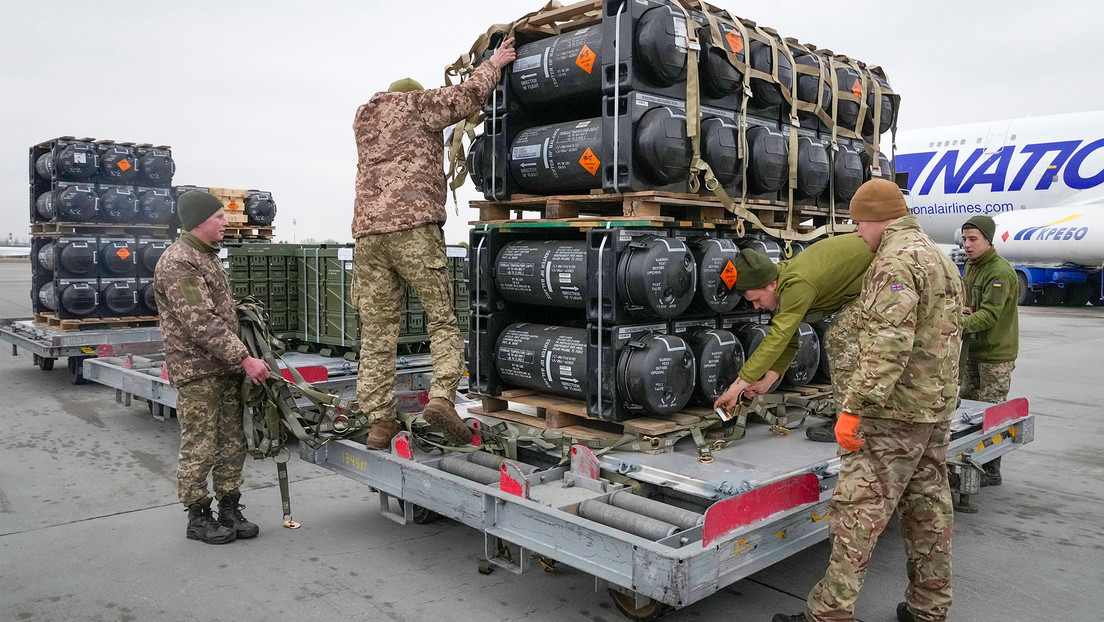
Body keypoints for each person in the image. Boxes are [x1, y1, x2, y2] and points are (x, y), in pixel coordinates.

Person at [774, 178, 965, 622]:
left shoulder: (894, 262)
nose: (857, 233)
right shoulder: (940, 256)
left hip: (892, 413)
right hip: (933, 409)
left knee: (857, 514)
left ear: (878, 219)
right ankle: (929, 609)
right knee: (928, 510)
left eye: (858, 224)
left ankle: (829, 614)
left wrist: (854, 407)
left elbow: (887, 344)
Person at [350, 37, 517, 450]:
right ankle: (442, 397)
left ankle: (379, 422)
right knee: (441, 319)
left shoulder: (364, 119)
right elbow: (466, 97)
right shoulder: (418, 105)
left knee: (376, 334)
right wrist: (494, 64)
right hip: (413, 230)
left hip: (368, 237)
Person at [155, 190, 272, 545]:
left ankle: (229, 507)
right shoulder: (180, 262)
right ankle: (198, 515)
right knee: (200, 444)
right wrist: (245, 358)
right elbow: (201, 321)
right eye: (220, 217)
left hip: (224, 367)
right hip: (199, 370)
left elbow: (223, 313)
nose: (226, 222)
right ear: (198, 221)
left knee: (232, 442)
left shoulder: (207, 257)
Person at [712, 235, 874, 441]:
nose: (756, 306)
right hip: (867, 279)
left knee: (839, 338)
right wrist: (766, 382)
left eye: (757, 299)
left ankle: (851, 425)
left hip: (886, 269)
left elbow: (778, 338)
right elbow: (789, 340)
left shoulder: (796, 284)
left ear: (771, 285)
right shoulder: (780, 284)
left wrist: (735, 388)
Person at [959, 214, 1019, 486]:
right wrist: (964, 311)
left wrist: (957, 323)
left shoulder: (999, 271)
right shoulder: (972, 266)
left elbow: (990, 315)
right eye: (964, 239)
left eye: (973, 239)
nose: (967, 245)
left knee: (991, 414)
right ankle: (969, 461)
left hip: (995, 355)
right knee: (968, 412)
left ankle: (991, 469)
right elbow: (972, 305)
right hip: (974, 349)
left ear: (988, 240)